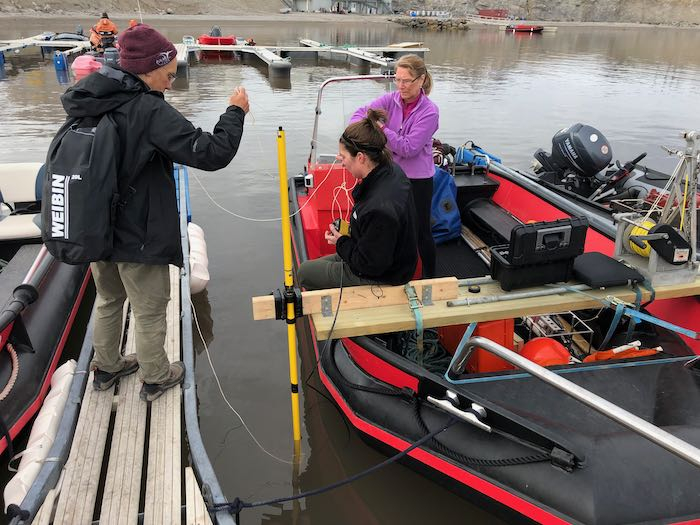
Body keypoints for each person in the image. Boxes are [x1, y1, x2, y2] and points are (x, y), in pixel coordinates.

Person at [59, 23, 250, 401]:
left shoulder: (90, 98)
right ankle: (156, 377)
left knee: (109, 300)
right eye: (168, 74)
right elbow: (210, 152)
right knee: (149, 309)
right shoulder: (148, 109)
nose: (171, 83)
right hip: (137, 232)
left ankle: (108, 368)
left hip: (95, 226)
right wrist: (234, 112)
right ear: (148, 69)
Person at [297, 109, 418, 291]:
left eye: (343, 156)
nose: (340, 161)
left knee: (305, 273)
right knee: (312, 266)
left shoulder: (379, 208)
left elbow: (370, 265)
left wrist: (341, 242)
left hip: (385, 275)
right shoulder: (392, 170)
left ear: (361, 157)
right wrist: (348, 236)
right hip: (383, 256)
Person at [350, 54, 439, 278]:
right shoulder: (390, 100)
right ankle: (395, 274)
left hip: (418, 180)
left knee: (420, 232)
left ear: (421, 80)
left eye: (406, 81)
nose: (400, 86)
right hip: (391, 175)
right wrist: (365, 131)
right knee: (393, 228)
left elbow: (409, 148)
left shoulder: (430, 112)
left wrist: (380, 129)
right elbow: (359, 115)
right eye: (397, 79)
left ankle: (430, 277)